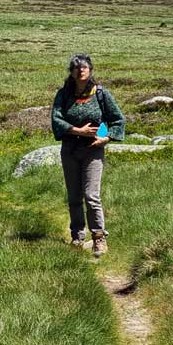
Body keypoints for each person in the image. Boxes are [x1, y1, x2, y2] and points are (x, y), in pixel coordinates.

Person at [50, 54, 125, 256]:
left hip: (93, 150)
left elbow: (117, 120)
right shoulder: (64, 94)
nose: (80, 70)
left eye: (84, 67)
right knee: (74, 195)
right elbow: (56, 120)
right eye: (76, 68)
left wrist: (106, 138)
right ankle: (77, 236)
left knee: (91, 195)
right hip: (70, 150)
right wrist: (77, 131)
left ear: (90, 70)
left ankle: (99, 238)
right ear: (71, 72)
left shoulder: (100, 93)